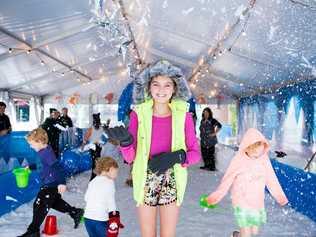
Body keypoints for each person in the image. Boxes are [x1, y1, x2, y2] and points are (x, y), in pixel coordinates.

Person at [105, 60, 201, 237]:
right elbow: (130, 157)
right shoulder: (138, 115)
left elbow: (195, 154)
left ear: (174, 88)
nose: (161, 90)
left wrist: (177, 157)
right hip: (145, 179)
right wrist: (126, 143)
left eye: (167, 85)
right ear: (149, 88)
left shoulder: (184, 116)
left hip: (171, 180)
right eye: (156, 84)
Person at [206, 128, 288, 237]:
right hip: (241, 200)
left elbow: (271, 179)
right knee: (247, 234)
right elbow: (227, 180)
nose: (256, 156)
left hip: (256, 201)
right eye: (254, 153)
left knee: (254, 231)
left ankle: (237, 235)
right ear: (247, 148)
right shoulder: (239, 159)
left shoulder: (264, 159)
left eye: (259, 153)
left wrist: (280, 197)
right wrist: (214, 197)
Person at [17, 128, 83, 237]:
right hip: (48, 182)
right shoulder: (41, 151)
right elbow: (41, 165)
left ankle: (33, 231)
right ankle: (75, 212)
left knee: (40, 205)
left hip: (51, 183)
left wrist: (62, 182)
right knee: (54, 202)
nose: (30, 146)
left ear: (39, 142)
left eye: (31, 144)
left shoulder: (47, 153)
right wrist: (30, 167)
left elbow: (57, 168)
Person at [84, 157, 123, 237]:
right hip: (100, 220)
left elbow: (86, 198)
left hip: (88, 219)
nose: (116, 175)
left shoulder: (93, 181)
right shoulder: (109, 182)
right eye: (116, 172)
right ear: (111, 169)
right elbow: (111, 202)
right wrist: (114, 218)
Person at [82, 113, 104, 181]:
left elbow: (86, 137)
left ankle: (94, 177)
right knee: (97, 161)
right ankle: (95, 177)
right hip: (98, 146)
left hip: (94, 147)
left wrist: (83, 145)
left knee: (95, 162)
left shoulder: (91, 128)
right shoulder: (101, 128)